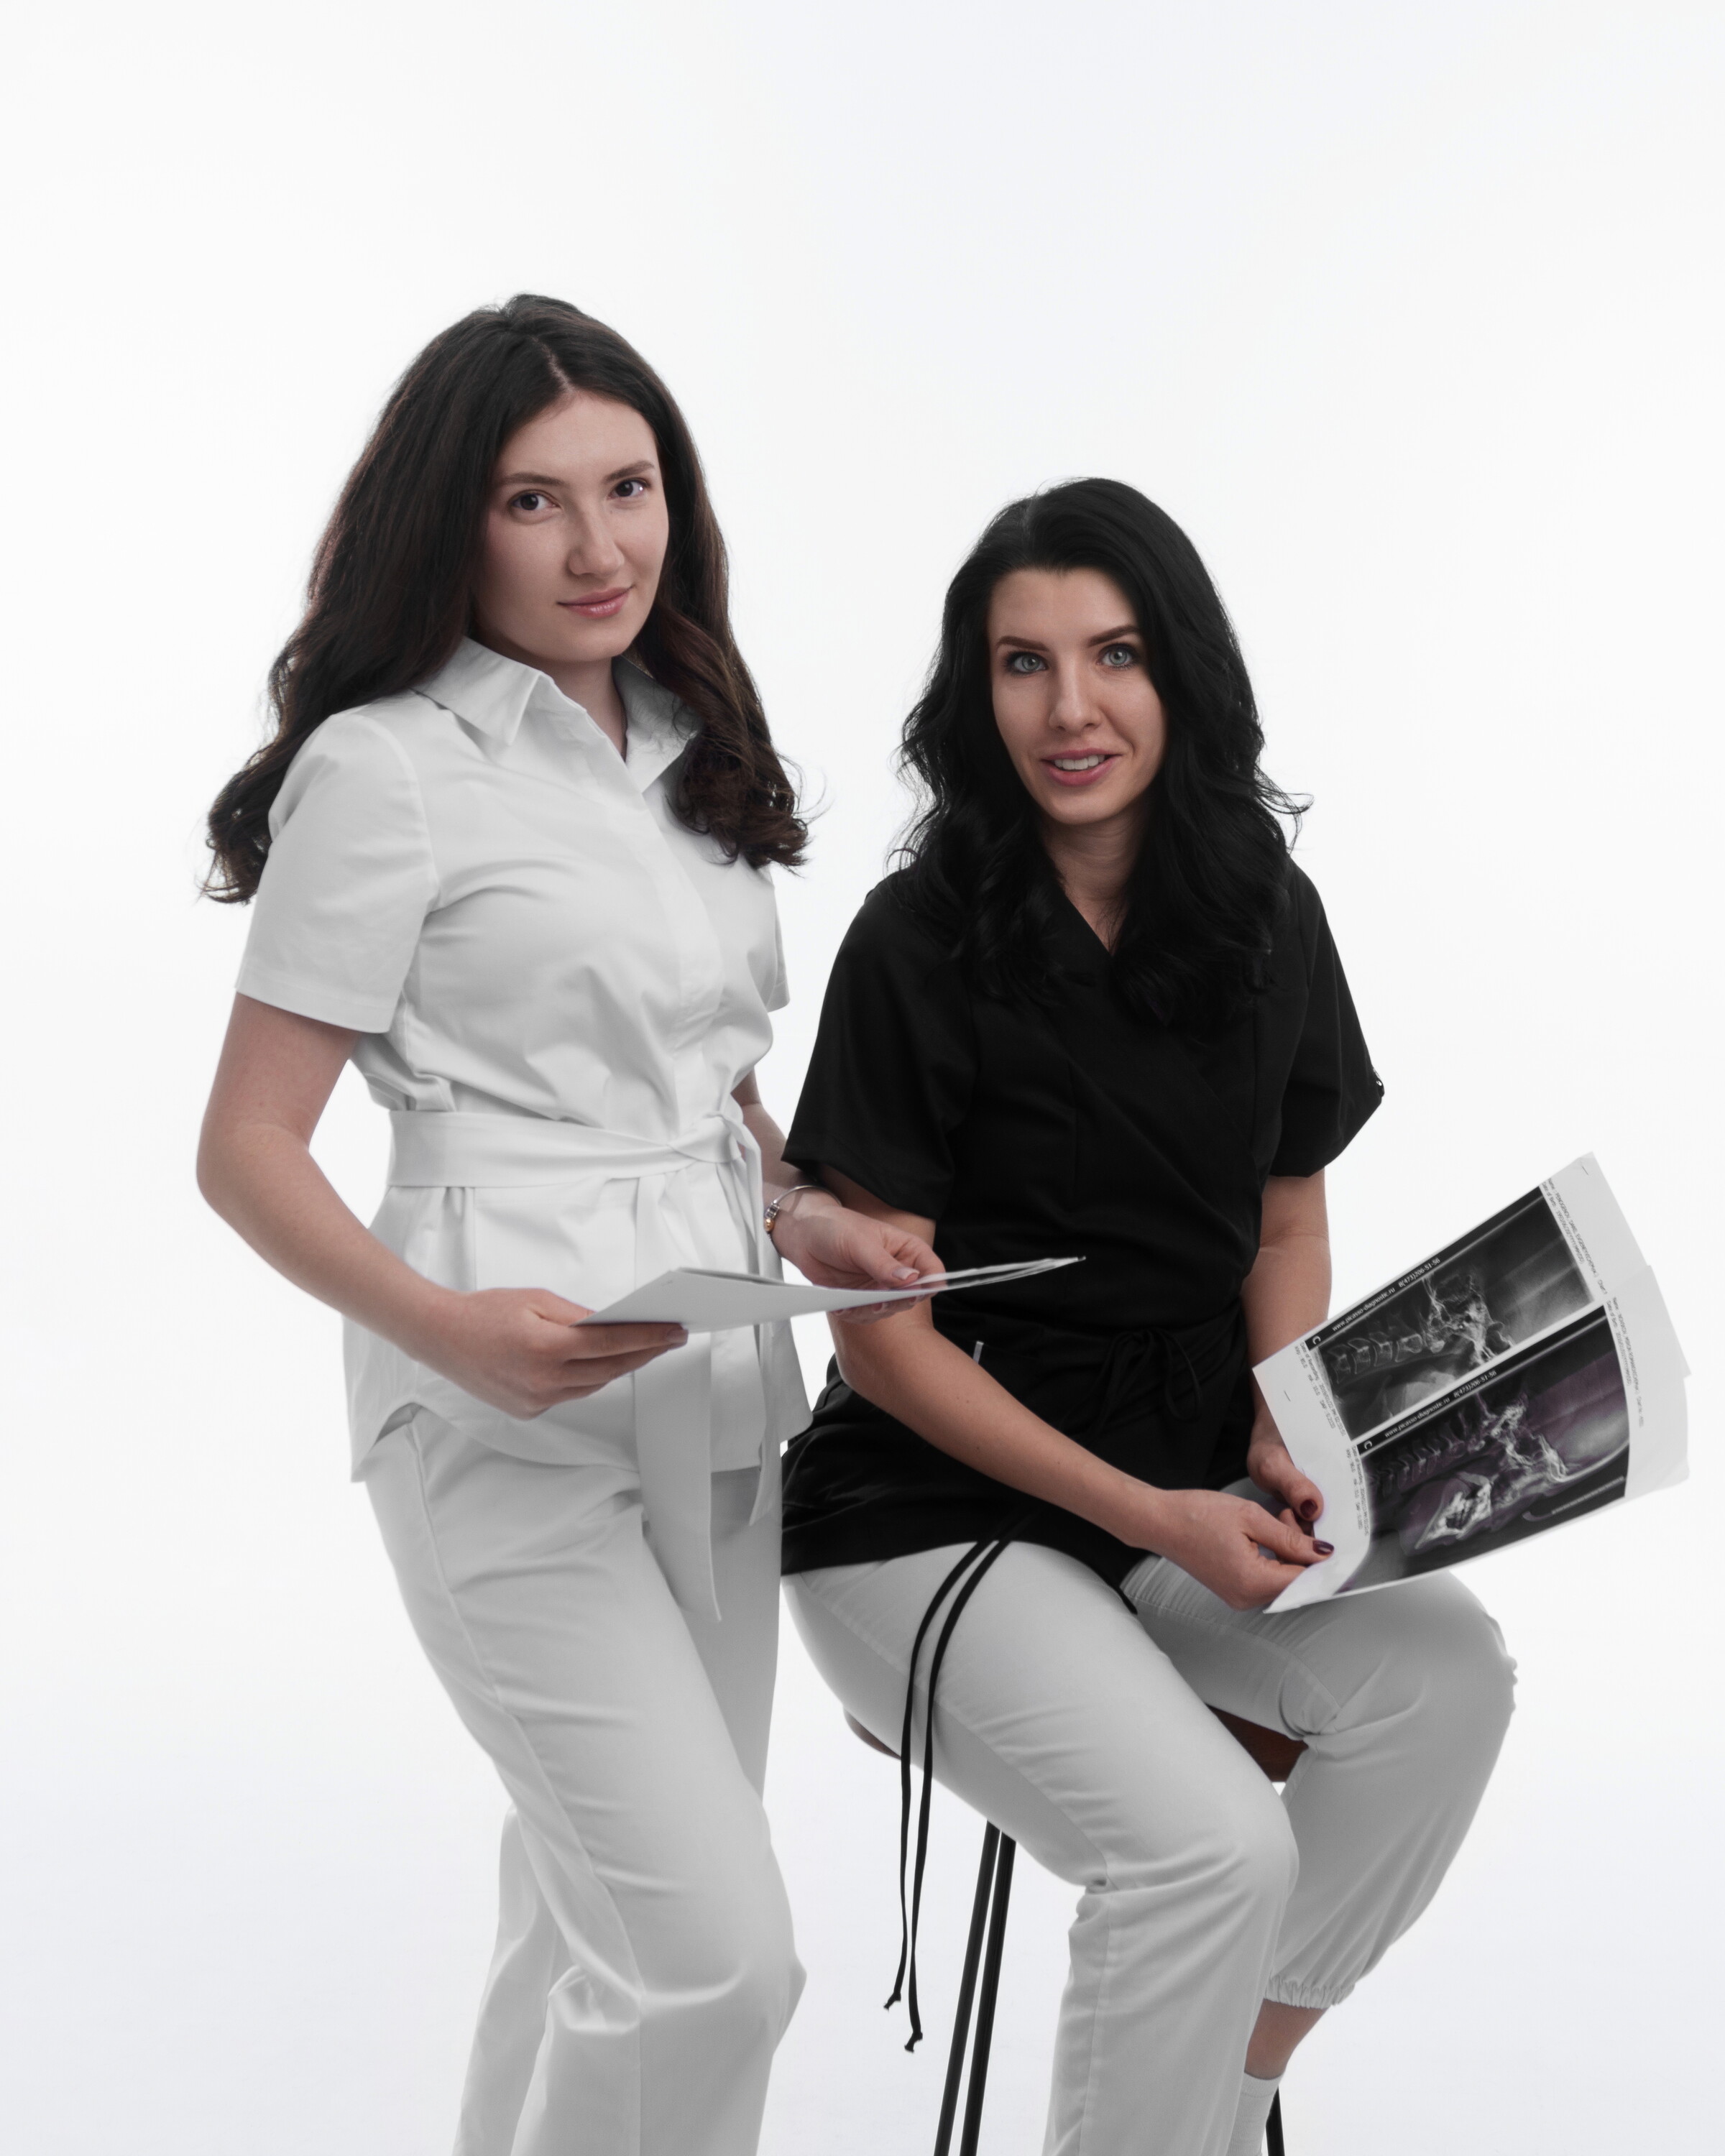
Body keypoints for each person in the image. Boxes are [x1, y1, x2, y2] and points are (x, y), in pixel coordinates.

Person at [196, 294, 937, 2156]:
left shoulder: (689, 742)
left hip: (715, 1391)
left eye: (630, 486)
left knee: (587, 1923)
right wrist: (445, 1333)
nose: (600, 545)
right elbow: (248, 1148)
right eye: (534, 501)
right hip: (499, 1422)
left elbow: (705, 1083)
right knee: (713, 1962)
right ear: (450, 518)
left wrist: (808, 1216)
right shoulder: (386, 768)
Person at [778, 480, 1517, 2156]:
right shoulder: (914, 943)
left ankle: (1218, 2095)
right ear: (977, 694)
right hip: (926, 1517)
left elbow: (1287, 1211)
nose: (1073, 707)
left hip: (1183, 1479)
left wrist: (1281, 1412)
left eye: (1114, 655)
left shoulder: (1263, 907)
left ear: (1181, 672)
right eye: (1022, 663)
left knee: (1447, 1680)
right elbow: (877, 1341)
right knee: (1207, 1851)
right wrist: (1152, 1513)